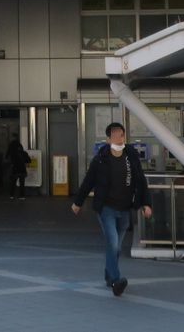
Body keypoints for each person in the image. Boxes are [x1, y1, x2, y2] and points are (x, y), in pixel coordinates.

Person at [72, 122, 153, 297]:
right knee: (114, 244)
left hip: (125, 209)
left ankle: (109, 277)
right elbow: (89, 181)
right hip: (106, 208)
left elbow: (140, 179)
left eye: (121, 135)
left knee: (114, 247)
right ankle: (116, 280)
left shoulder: (131, 155)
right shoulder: (101, 158)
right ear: (108, 139)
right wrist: (78, 202)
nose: (119, 138)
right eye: (115, 135)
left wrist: (146, 203)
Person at [6, 136, 30, 200]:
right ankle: (22, 196)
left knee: (13, 183)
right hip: (22, 170)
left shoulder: (13, 154)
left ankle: (11, 195)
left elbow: (8, 159)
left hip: (15, 170)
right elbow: (29, 161)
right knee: (22, 184)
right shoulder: (24, 153)